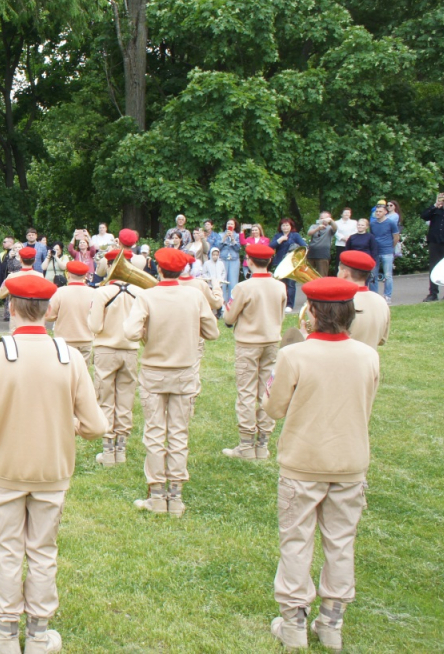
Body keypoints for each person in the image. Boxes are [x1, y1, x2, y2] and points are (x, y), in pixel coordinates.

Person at [0, 275, 106, 654]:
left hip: (5, 470)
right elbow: (96, 426)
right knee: (43, 550)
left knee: (8, 549)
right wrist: (66, 423)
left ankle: (6, 633)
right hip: (52, 470)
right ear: (48, 311)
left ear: (12, 308)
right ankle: (38, 633)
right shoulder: (68, 355)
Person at [263, 277, 379, 651]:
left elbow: (274, 409)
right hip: (349, 462)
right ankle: (331, 623)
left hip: (303, 462)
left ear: (312, 311)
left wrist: (270, 389)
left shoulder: (294, 355)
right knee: (341, 542)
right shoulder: (368, 355)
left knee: (297, 540)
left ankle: (294, 624)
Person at [124, 248, 219, 516]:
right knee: (178, 433)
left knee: (155, 432)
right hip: (185, 373)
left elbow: (130, 332)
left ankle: (156, 496)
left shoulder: (147, 296)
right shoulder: (195, 296)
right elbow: (212, 333)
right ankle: (175, 498)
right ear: (182, 270)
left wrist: (147, 332)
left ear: (159, 270)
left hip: (154, 372)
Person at [221, 244, 287, 460]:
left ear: (248, 261)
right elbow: (280, 315)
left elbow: (229, 318)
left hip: (248, 343)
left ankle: (246, 444)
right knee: (266, 391)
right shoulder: (280, 287)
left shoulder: (244, 287)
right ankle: (263, 444)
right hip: (271, 342)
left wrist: (225, 307)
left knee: (246, 392)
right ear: (269, 262)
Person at [88, 250, 141, 466]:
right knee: (126, 399)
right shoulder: (139, 291)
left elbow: (95, 327)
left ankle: (108, 451)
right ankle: (122, 449)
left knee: (105, 399)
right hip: (130, 350)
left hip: (106, 350)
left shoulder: (102, 293)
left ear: (110, 267)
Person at [336, 251, 389, 348]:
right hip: (369, 360)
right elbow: (382, 340)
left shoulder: (340, 302)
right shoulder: (381, 301)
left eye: (339, 270)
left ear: (344, 273)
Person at [46, 261, 95, 362]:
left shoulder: (60, 292)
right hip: (86, 339)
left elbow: (49, 316)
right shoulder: (93, 293)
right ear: (85, 275)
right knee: (82, 372)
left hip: (64, 340)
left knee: (65, 371)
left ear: (68, 274)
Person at [269, 219, 307, 312]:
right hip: (280, 263)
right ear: (280, 227)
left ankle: (289, 304)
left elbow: (304, 246)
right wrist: (279, 240)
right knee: (280, 284)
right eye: (283, 225)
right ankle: (280, 303)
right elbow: (270, 247)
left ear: (291, 226)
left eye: (287, 225)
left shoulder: (295, 235)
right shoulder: (278, 236)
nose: (285, 227)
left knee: (291, 284)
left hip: (291, 263)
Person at [367, 205, 400, 303]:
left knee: (388, 275)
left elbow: (396, 237)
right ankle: (374, 296)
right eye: (376, 211)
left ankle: (387, 295)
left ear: (385, 212)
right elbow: (372, 237)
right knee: (373, 275)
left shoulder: (390, 223)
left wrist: (391, 247)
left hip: (387, 252)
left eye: (380, 211)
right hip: (375, 252)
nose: (377, 213)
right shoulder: (372, 224)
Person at [307, 212, 336, 277]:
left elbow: (335, 228)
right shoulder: (314, 226)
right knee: (309, 275)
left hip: (323, 255)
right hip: (311, 254)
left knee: (322, 276)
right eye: (322, 218)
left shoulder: (330, 228)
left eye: (325, 218)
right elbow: (309, 233)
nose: (323, 220)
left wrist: (331, 220)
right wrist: (318, 228)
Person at [219, 219, 242, 300]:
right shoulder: (221, 235)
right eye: (228, 223)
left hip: (234, 260)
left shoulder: (238, 236)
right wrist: (224, 238)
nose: (230, 225)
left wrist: (233, 239)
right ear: (226, 225)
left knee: (233, 282)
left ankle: (232, 302)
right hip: (223, 259)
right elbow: (217, 248)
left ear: (235, 226)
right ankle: (222, 303)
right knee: (223, 282)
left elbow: (238, 248)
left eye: (232, 224)